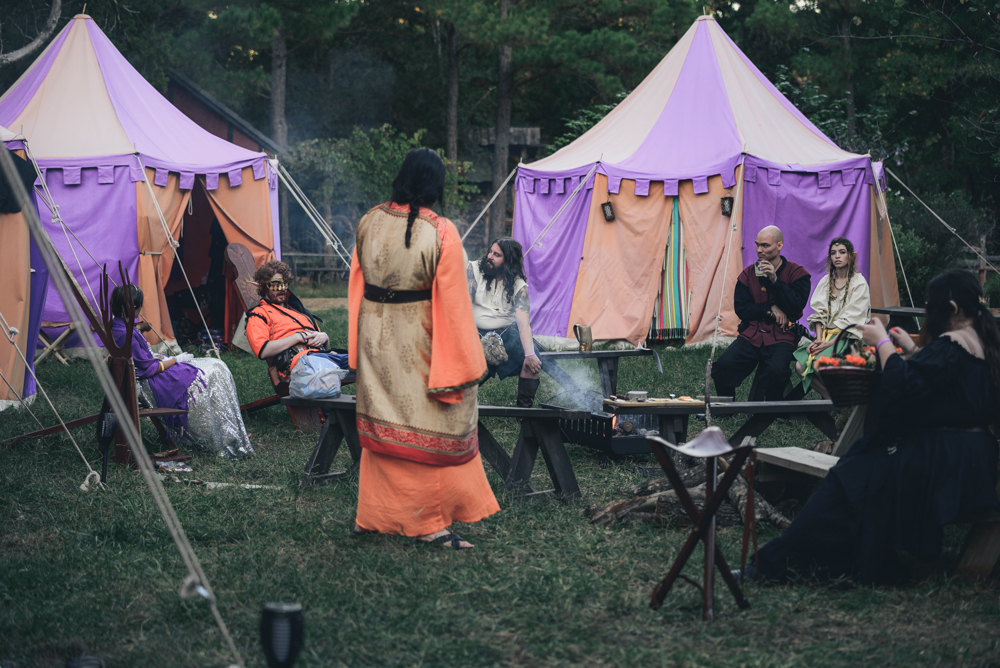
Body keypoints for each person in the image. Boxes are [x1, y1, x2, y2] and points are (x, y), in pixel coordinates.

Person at [748, 270, 1000, 585]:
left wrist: (881, 342)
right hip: (970, 461)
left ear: (950, 309)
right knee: (859, 469)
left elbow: (903, 388)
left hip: (942, 464)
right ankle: (813, 557)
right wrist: (911, 351)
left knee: (852, 475)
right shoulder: (983, 341)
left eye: (930, 308)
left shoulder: (952, 343)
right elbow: (946, 386)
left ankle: (773, 564)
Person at [348, 148, 499, 550]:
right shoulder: (441, 231)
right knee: (426, 425)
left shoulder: (369, 220)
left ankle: (373, 517)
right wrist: (463, 365)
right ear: (435, 185)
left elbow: (356, 285)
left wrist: (356, 345)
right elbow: (454, 305)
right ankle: (428, 524)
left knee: (385, 417)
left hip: (374, 335)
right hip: (419, 339)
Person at [111, 285, 253, 458]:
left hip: (149, 373)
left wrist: (147, 350)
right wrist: (177, 360)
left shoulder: (120, 327)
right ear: (133, 306)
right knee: (215, 372)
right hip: (151, 381)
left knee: (217, 367)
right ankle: (221, 438)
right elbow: (150, 368)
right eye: (139, 306)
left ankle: (230, 432)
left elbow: (140, 356)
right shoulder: (125, 333)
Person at [712, 226, 811, 401]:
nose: (759, 250)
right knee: (723, 365)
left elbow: (795, 307)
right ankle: (726, 405)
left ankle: (771, 409)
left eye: (765, 245)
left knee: (776, 371)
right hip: (753, 334)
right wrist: (769, 309)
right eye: (757, 245)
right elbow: (742, 309)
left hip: (783, 335)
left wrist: (775, 280)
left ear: (779, 245)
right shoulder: (748, 274)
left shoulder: (797, 274)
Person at [468, 238, 543, 407]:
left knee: (533, 363)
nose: (489, 256)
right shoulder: (474, 270)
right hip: (474, 333)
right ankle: (460, 410)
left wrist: (530, 355)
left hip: (506, 334)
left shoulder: (519, 286)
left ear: (508, 261)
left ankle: (524, 413)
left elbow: (523, 324)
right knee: (464, 375)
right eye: (490, 251)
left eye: (496, 255)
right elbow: (461, 306)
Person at [793, 237, 871, 398]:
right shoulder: (826, 281)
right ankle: (835, 401)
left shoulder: (859, 282)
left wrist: (829, 343)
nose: (837, 256)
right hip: (825, 337)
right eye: (833, 253)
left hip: (847, 338)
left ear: (851, 256)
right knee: (800, 366)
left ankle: (838, 402)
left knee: (821, 366)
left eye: (842, 252)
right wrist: (819, 341)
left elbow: (852, 321)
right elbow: (819, 315)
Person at [244, 261, 346, 382]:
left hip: (320, 358)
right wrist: (298, 337)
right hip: (297, 366)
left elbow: (322, 344)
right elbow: (262, 351)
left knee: (360, 361)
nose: (282, 289)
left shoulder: (300, 312)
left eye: (284, 284)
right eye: (276, 285)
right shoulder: (259, 314)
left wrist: (324, 337)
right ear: (264, 287)